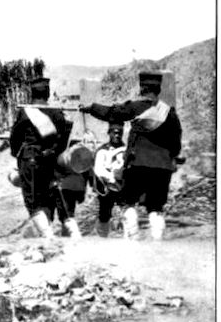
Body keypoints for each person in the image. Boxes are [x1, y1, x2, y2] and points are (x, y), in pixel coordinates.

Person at [80, 71, 182, 240]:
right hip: (162, 167)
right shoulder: (170, 113)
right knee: (156, 208)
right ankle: (157, 243)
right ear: (158, 89)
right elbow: (176, 144)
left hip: (137, 165)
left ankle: (133, 240)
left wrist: (91, 108)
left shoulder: (135, 107)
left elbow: (111, 113)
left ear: (142, 89)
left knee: (128, 202)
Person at [9, 77, 72, 239]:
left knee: (33, 203)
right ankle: (49, 234)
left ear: (32, 93)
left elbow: (14, 139)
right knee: (46, 199)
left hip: (30, 161)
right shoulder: (57, 112)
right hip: (49, 162)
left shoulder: (25, 112)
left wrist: (18, 155)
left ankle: (48, 237)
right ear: (48, 93)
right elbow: (62, 142)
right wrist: (51, 152)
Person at [92, 122, 127, 237]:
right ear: (109, 133)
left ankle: (127, 236)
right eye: (114, 133)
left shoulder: (126, 150)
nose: (117, 135)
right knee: (104, 213)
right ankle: (103, 237)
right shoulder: (102, 150)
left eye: (119, 133)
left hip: (123, 186)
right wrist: (112, 179)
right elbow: (99, 170)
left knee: (126, 210)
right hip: (107, 186)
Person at [53, 139, 90, 239]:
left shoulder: (64, 156)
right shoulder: (84, 158)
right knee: (70, 210)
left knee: (66, 213)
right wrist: (83, 192)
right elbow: (86, 175)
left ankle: (74, 233)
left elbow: (57, 171)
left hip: (65, 187)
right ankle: (66, 234)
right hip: (78, 187)